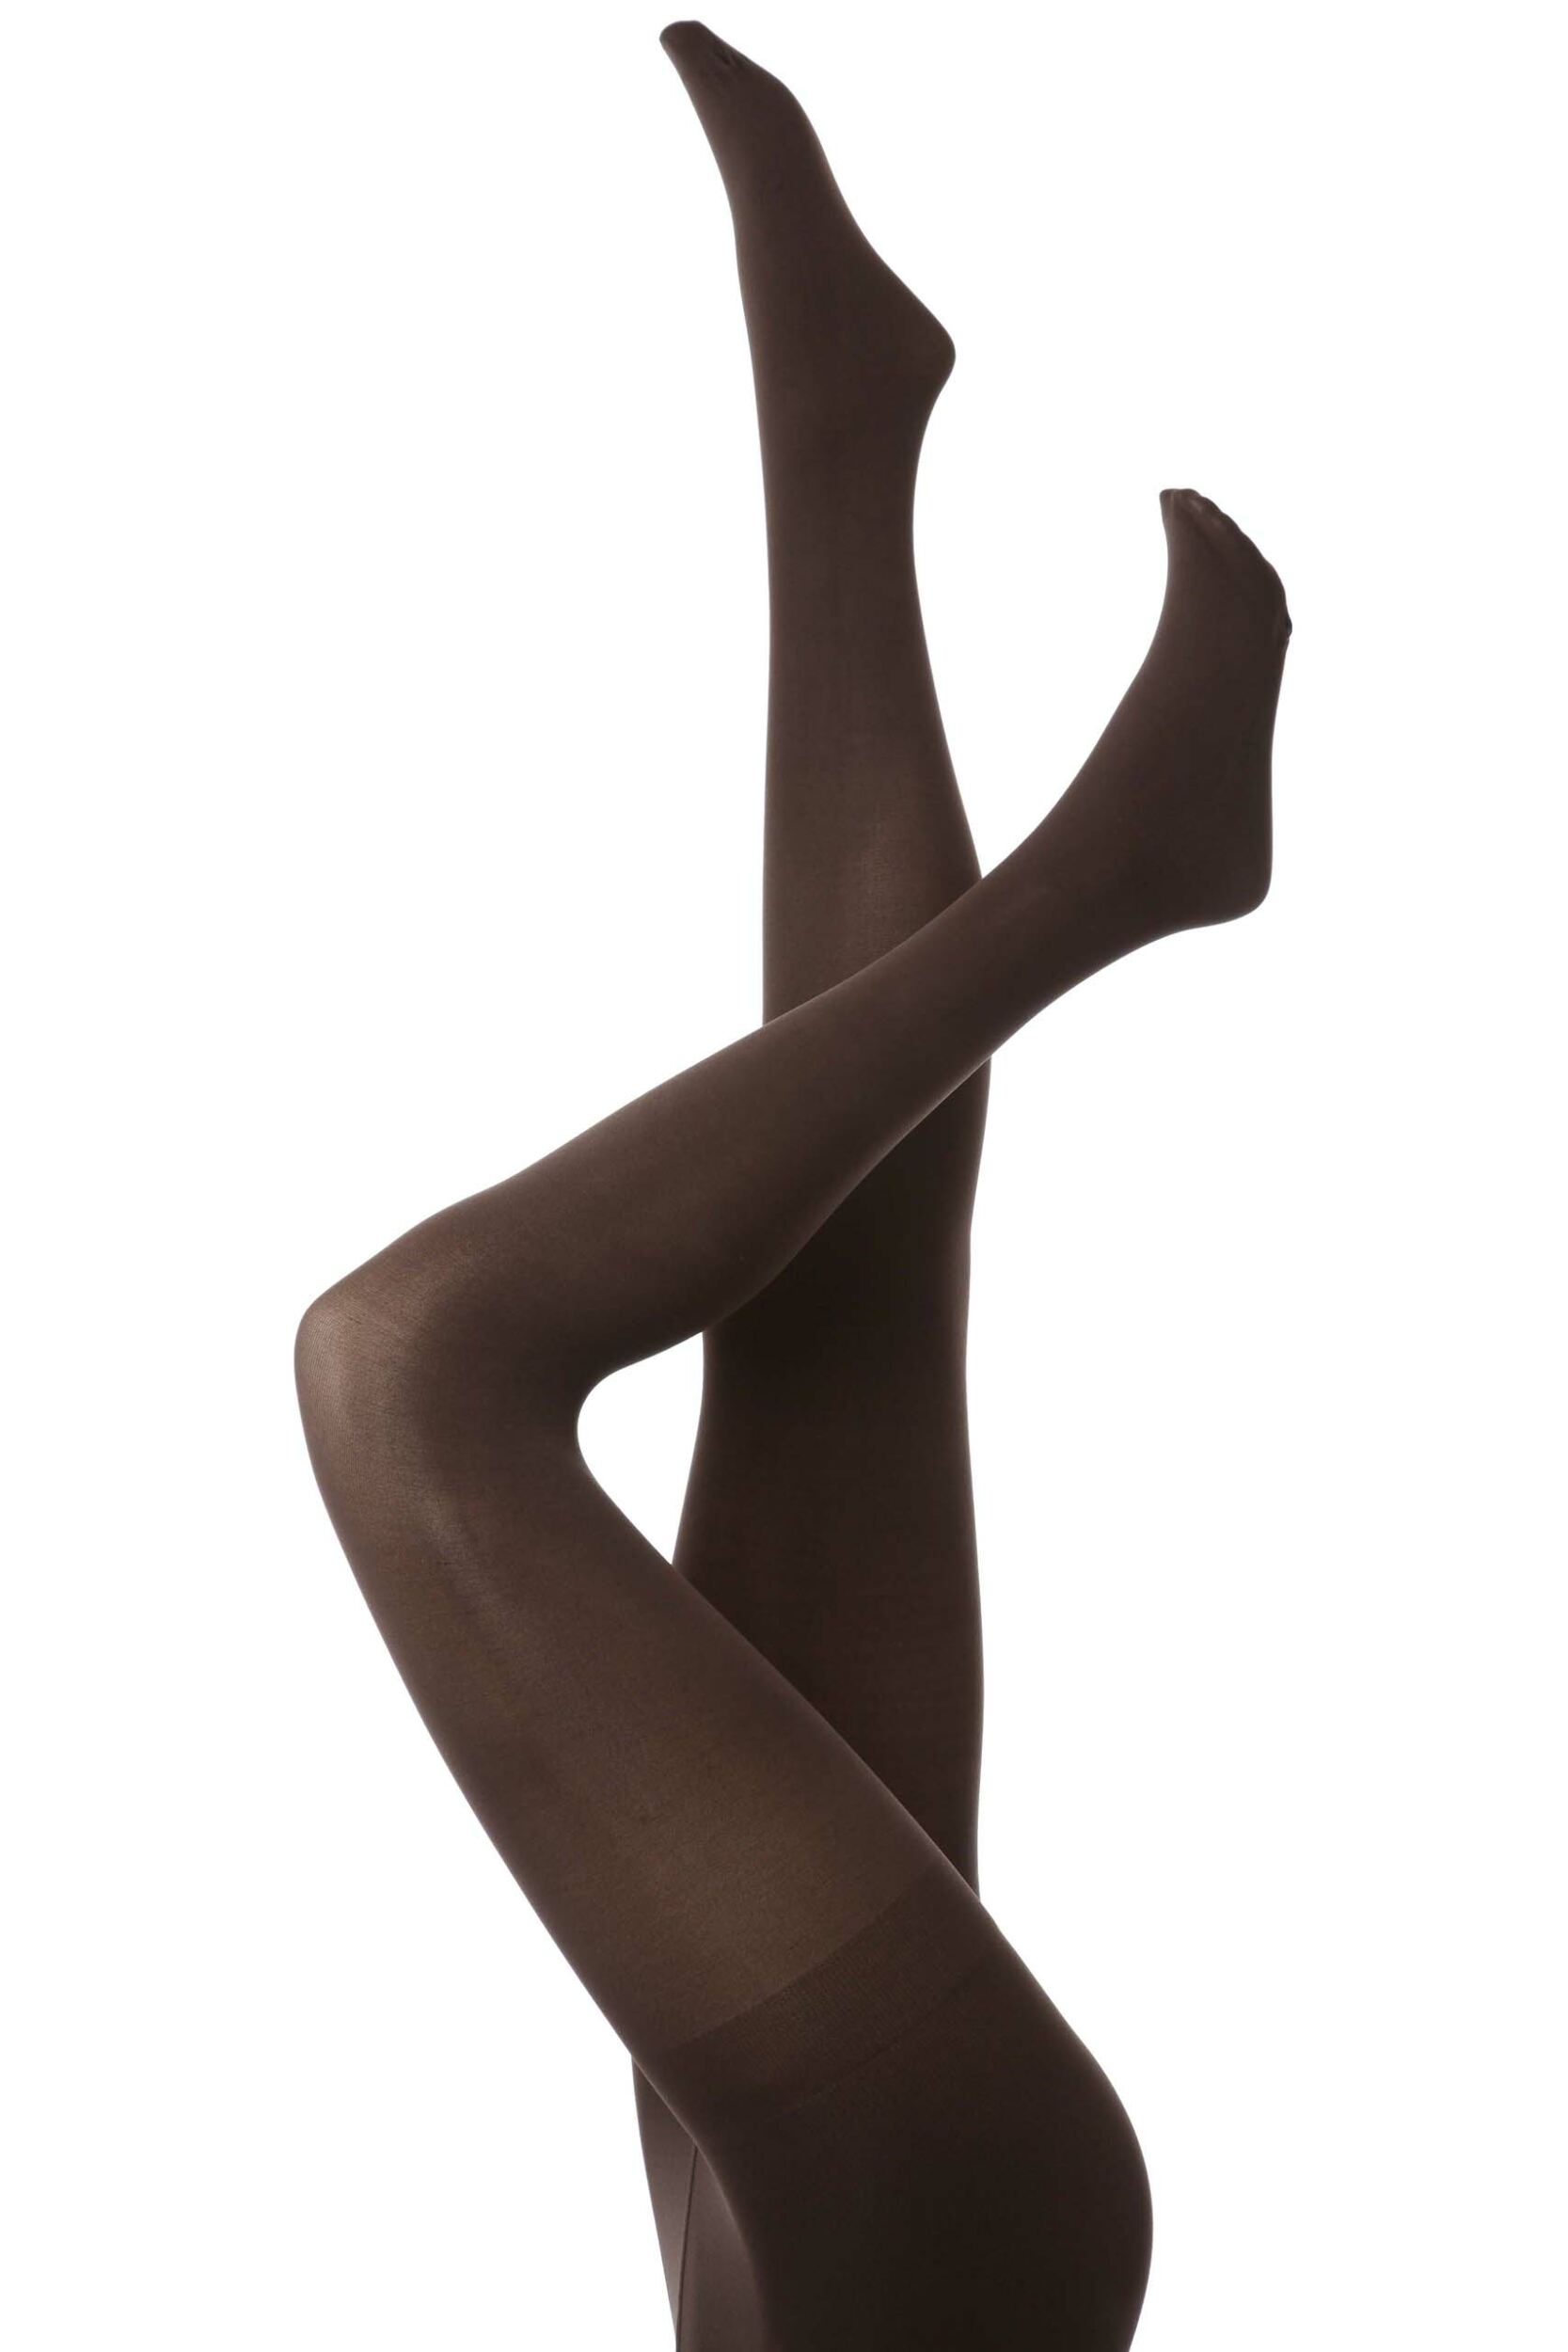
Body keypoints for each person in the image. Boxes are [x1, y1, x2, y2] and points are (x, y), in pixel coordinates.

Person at [295, 24, 1291, 2347]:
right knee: (411, 1373)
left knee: (839, 1310)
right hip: (929, 2255)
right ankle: (1123, 871)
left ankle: (840, 430)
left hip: (778, 2261)